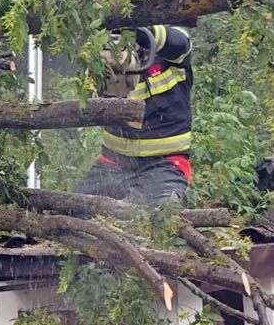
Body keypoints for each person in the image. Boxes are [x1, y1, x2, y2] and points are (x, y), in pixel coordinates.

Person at [76, 24, 193, 203]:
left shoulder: (173, 50)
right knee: (74, 206)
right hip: (113, 162)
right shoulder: (109, 52)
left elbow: (179, 43)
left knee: (156, 214)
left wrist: (138, 30)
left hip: (165, 165)